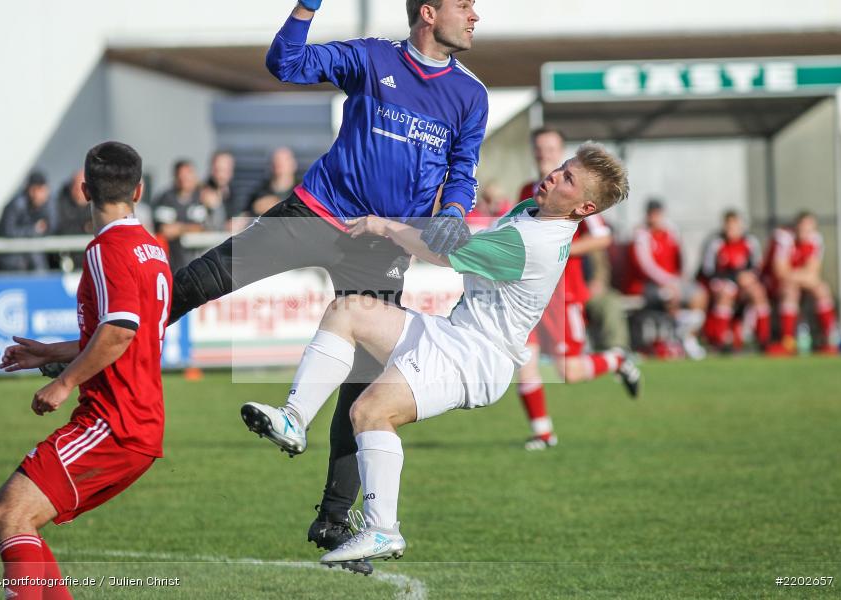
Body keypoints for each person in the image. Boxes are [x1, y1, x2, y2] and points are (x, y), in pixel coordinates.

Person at [167, 0, 487, 567]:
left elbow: (462, 169)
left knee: (363, 385)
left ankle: (335, 520)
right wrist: (307, 6)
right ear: (429, 13)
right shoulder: (370, 57)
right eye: (464, 5)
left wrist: (455, 211)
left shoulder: (471, 95)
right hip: (316, 210)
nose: (475, 16)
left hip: (385, 244)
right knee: (209, 274)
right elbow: (284, 64)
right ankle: (118, 340)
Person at [241, 143, 629, 564]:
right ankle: (294, 419)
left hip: (476, 359)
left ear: (584, 208)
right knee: (347, 311)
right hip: (454, 332)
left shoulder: (532, 242)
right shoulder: (530, 211)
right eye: (561, 167)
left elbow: (444, 255)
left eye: (568, 178)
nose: (554, 175)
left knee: (370, 412)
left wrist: (384, 226)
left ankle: (383, 529)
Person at [0, 142, 172, 600]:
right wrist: (51, 352)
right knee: (10, 518)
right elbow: (122, 332)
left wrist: (65, 381)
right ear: (139, 191)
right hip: (133, 420)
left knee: (9, 515)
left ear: (84, 189)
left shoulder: (106, 249)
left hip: (115, 422)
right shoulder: (152, 248)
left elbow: (121, 330)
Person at [516, 128, 639, 451]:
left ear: (560, 151)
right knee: (524, 360)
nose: (544, 153)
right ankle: (543, 433)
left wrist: (562, 248)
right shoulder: (527, 189)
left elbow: (603, 237)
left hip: (563, 294)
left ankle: (616, 359)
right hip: (527, 293)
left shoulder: (577, 194)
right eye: (539, 147)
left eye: (550, 148)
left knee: (567, 370)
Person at [625, 199, 707, 358]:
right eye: (651, 214)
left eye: (657, 213)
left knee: (699, 294)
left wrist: (680, 280)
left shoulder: (671, 232)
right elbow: (647, 267)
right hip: (646, 286)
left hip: (672, 283)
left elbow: (681, 259)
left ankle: (688, 336)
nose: (654, 217)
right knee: (669, 295)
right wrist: (670, 283)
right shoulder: (641, 236)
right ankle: (674, 339)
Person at [762, 212, 838, 354]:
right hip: (772, 284)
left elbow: (814, 272)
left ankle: (830, 340)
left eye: (809, 229)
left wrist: (796, 275)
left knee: (822, 289)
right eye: (802, 228)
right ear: (796, 226)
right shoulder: (784, 238)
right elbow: (780, 272)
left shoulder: (815, 239)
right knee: (791, 291)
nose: (806, 232)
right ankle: (788, 343)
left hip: (796, 281)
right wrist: (802, 276)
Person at [698, 210, 770, 351]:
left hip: (743, 286)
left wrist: (749, 277)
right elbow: (708, 271)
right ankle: (720, 341)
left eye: (735, 225)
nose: (732, 229)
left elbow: (757, 268)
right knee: (726, 292)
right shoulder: (715, 242)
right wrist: (735, 278)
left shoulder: (750, 242)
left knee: (758, 292)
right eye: (728, 225)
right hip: (719, 283)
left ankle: (764, 339)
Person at [0, 171, 53, 272]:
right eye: (41, 190)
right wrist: (33, 230)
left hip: (27, 261)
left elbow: (52, 225)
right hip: (10, 261)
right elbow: (8, 232)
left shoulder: (43, 206)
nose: (45, 195)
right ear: (32, 190)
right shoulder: (17, 205)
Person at [153, 159, 206, 271]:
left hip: (197, 263)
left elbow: (202, 228)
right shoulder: (166, 198)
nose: (185, 179)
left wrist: (179, 228)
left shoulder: (200, 198)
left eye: (188, 175)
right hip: (171, 263)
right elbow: (165, 230)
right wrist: (188, 227)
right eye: (181, 175)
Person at [246, 146, 300, 217]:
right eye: (276, 160)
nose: (279, 164)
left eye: (284, 161)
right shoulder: (259, 191)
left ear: (293, 164)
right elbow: (246, 216)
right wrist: (255, 208)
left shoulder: (301, 191)